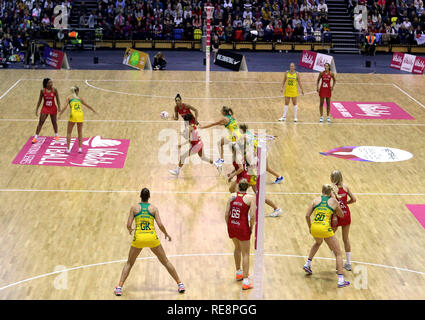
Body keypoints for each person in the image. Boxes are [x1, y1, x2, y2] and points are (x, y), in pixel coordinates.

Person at [114, 188, 185, 296]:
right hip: (152, 239)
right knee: (165, 261)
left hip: (139, 239)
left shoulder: (134, 208)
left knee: (129, 263)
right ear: (149, 196)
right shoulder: (153, 209)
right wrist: (166, 234)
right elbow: (160, 225)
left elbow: (128, 225)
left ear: (140, 196)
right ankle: (180, 284)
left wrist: (130, 230)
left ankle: (119, 287)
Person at [303, 184, 350, 288]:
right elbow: (342, 215)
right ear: (330, 192)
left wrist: (310, 227)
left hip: (315, 227)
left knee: (318, 242)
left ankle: (307, 264)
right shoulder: (334, 201)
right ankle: (341, 280)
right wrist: (334, 211)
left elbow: (307, 215)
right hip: (325, 228)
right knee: (338, 253)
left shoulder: (315, 200)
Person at [225, 179, 256, 290]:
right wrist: (251, 227)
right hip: (242, 226)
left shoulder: (232, 196)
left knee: (237, 248)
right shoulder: (250, 198)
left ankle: (239, 272)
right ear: (247, 187)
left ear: (238, 186)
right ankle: (246, 281)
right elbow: (252, 216)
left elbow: (226, 213)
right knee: (246, 253)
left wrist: (228, 225)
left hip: (232, 225)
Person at [330, 170, 356, 271]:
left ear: (333, 178)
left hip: (337, 215)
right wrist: (345, 204)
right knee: (346, 239)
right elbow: (354, 199)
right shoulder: (346, 187)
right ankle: (348, 263)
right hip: (346, 213)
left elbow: (333, 204)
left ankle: (337, 257)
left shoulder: (332, 189)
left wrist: (335, 216)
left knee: (329, 236)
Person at [59, 86, 97, 153]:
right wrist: (93, 110)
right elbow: (87, 105)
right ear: (77, 91)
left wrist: (60, 114)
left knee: (69, 132)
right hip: (80, 115)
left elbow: (65, 107)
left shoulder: (69, 98)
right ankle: (80, 148)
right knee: (79, 132)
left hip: (73, 115)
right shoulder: (79, 98)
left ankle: (68, 149)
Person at [33, 78, 61, 144]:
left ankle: (56, 135)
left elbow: (58, 99)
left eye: (52, 82)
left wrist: (59, 107)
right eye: (50, 83)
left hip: (53, 108)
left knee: (54, 122)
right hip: (45, 108)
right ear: (46, 84)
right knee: (40, 122)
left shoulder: (54, 90)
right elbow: (39, 100)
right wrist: (37, 109)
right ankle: (35, 137)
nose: (51, 84)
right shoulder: (42, 91)